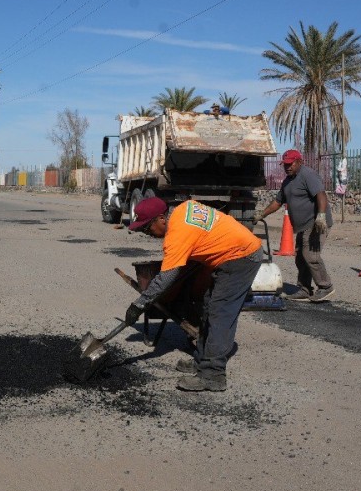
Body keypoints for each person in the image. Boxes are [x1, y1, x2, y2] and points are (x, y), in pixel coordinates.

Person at [124, 197, 263, 392]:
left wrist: (139, 304)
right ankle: (202, 361)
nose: (148, 234)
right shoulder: (183, 208)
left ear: (162, 219)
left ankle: (213, 375)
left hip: (242, 257)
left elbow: (166, 278)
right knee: (208, 307)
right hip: (232, 253)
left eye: (147, 228)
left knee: (220, 313)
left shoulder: (177, 235)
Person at [254, 149, 334, 302]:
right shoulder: (288, 181)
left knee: (310, 255)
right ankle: (304, 288)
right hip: (303, 226)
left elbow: (321, 194)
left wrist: (321, 215)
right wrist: (261, 214)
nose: (287, 167)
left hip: (316, 223)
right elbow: (278, 202)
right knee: (300, 258)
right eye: (285, 165)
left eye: (290, 164)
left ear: (299, 162)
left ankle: (325, 287)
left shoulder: (308, 175)